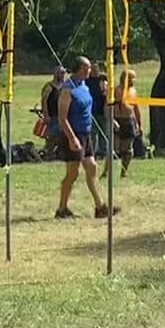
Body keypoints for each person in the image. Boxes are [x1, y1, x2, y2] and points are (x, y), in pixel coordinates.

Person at [55, 57, 113, 218]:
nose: (90, 70)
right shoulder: (68, 89)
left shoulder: (84, 86)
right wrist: (72, 138)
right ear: (80, 68)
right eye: (87, 67)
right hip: (73, 135)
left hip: (86, 134)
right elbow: (62, 118)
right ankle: (62, 209)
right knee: (72, 174)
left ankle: (100, 206)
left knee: (92, 166)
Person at [113, 69, 144, 177]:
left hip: (129, 121)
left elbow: (136, 109)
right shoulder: (116, 90)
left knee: (128, 151)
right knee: (116, 149)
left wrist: (139, 124)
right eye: (132, 78)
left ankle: (123, 172)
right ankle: (107, 172)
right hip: (118, 120)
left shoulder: (133, 91)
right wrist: (112, 120)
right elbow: (108, 107)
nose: (134, 80)